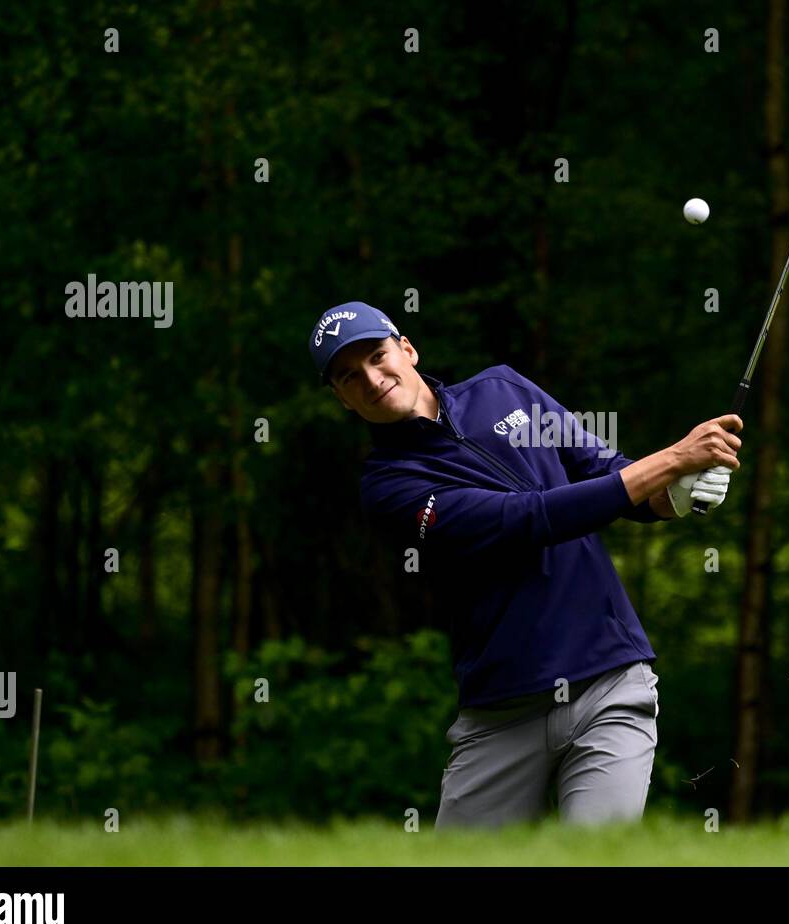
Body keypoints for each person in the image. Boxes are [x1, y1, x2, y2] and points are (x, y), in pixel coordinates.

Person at [309, 300, 743, 828]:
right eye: (350, 377)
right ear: (342, 399)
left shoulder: (503, 390)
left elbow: (606, 473)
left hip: (609, 683)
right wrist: (673, 461)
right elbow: (525, 521)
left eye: (378, 357)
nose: (373, 379)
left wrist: (673, 494)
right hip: (500, 714)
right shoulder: (389, 487)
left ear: (407, 349)